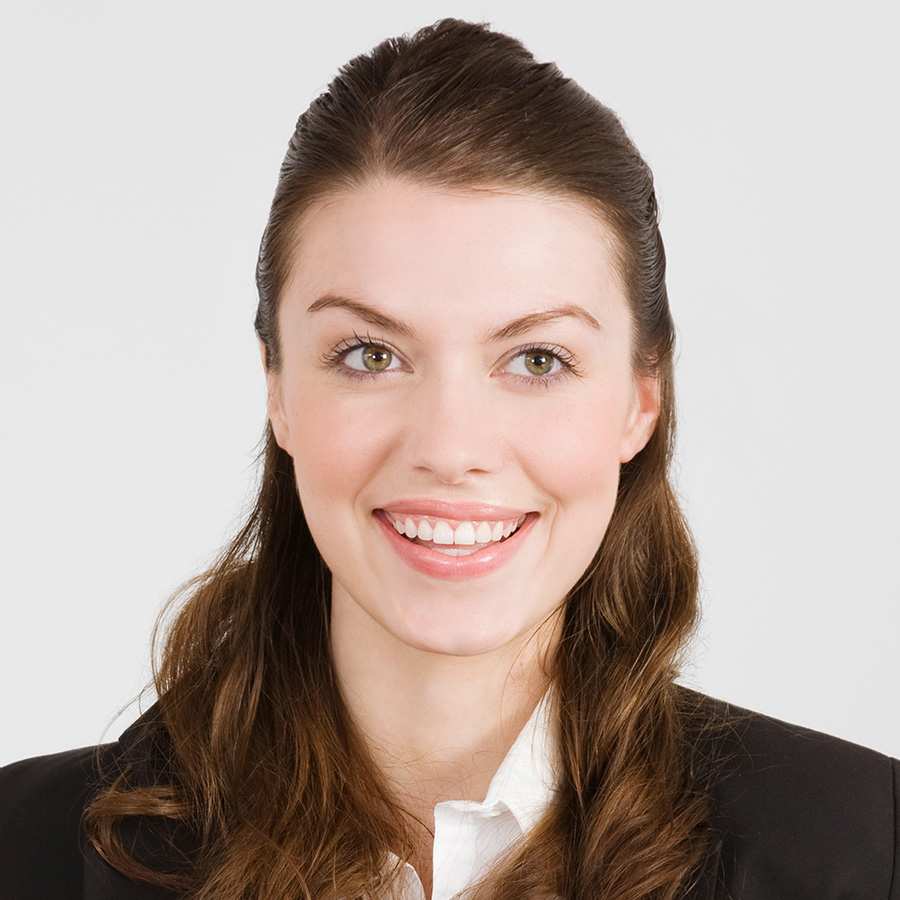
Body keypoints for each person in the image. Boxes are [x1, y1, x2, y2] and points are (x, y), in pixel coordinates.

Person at [0, 18, 896, 900]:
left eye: (536, 360)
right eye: (370, 355)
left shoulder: (867, 853)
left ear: (641, 399)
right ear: (277, 387)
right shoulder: (18, 847)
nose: (450, 449)